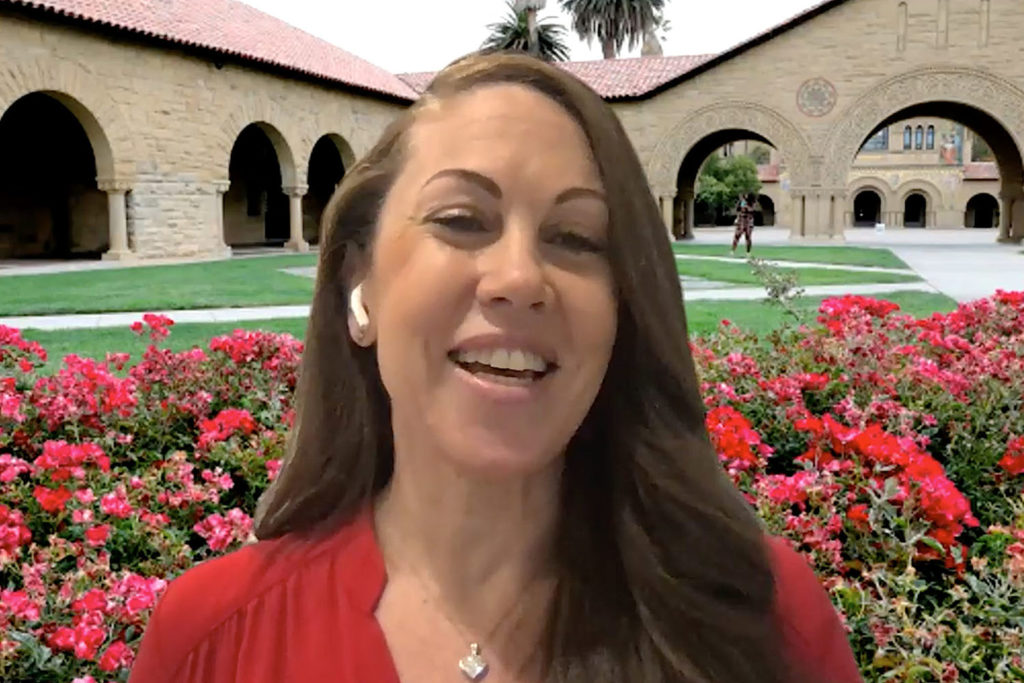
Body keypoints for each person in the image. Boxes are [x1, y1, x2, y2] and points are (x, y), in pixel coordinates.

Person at [128, 53, 862, 683]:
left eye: (576, 237)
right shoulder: (212, 641)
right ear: (362, 283)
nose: (518, 275)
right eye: (460, 220)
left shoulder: (762, 622)